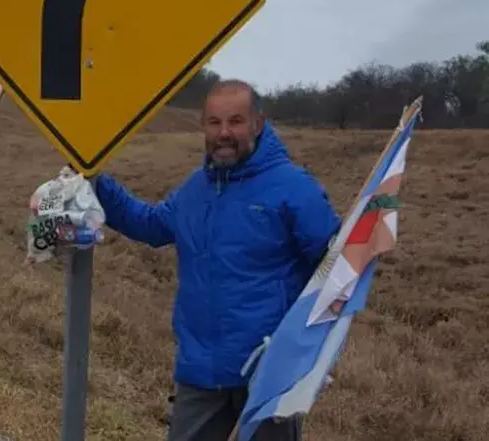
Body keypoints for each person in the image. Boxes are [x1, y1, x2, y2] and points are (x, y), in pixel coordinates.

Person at [91, 79, 341, 441]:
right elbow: (150, 224)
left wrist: (317, 355)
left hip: (266, 380)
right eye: (214, 123)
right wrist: (96, 185)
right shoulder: (196, 189)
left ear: (257, 123)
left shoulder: (295, 188)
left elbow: (335, 269)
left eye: (236, 121)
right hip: (200, 375)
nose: (224, 133)